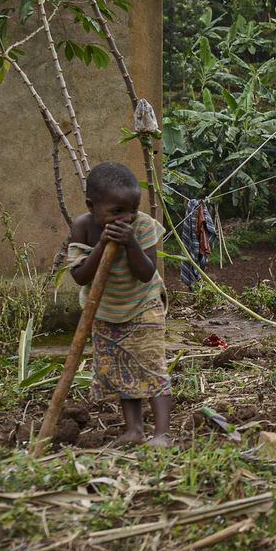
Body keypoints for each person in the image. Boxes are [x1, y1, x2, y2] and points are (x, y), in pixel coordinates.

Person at [64, 161, 172, 447]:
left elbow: (146, 272)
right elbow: (79, 275)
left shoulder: (144, 226)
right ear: (91, 206)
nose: (127, 217)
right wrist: (101, 247)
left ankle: (162, 434)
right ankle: (133, 430)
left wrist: (131, 243)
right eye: (116, 212)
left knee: (151, 364)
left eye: (133, 209)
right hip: (105, 311)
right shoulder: (83, 227)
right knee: (122, 370)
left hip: (143, 306)